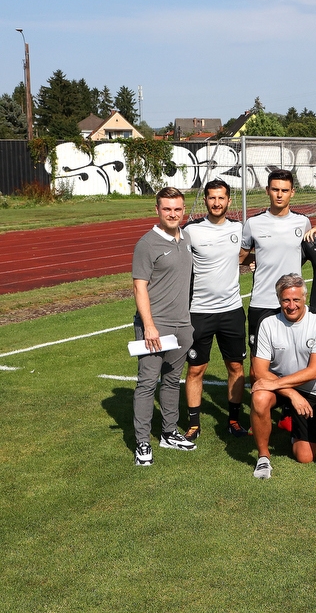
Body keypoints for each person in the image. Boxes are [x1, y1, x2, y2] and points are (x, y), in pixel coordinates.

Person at [131, 187, 197, 465]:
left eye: (178, 209)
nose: (173, 214)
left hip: (183, 324)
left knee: (172, 380)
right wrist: (149, 325)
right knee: (147, 383)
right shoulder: (147, 244)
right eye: (167, 209)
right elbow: (139, 286)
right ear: (157, 210)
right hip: (156, 327)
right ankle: (142, 442)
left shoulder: (187, 237)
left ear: (183, 210)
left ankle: (169, 433)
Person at [182, 179, 248, 441]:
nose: (217, 203)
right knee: (196, 369)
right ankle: (194, 423)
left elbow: (250, 253)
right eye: (212, 198)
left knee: (236, 367)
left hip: (232, 310)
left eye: (221, 198)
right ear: (205, 201)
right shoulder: (191, 231)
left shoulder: (239, 229)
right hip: (199, 312)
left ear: (229, 201)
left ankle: (233, 420)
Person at [250, 274, 316, 479]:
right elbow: (259, 371)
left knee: (304, 456)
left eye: (296, 299)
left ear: (305, 297)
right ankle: (263, 457)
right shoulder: (267, 322)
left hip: (309, 389)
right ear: (279, 300)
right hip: (279, 388)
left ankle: (290, 419)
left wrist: (290, 390)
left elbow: (314, 371)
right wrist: (291, 394)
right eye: (286, 300)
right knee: (259, 397)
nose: (291, 305)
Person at [239, 170, 311, 372]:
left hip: (292, 302)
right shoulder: (253, 223)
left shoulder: (303, 222)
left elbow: (310, 255)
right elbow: (241, 257)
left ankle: (288, 402)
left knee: (294, 357)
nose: (280, 194)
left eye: (284, 190)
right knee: (257, 363)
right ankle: (259, 403)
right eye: (275, 189)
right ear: (267, 191)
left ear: (292, 192)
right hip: (262, 302)